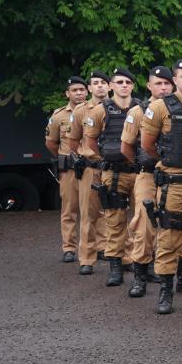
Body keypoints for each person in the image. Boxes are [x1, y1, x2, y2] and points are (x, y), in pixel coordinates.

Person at [121, 65, 182, 298]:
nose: (163, 88)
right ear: (149, 86)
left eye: (166, 84)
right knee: (144, 225)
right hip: (149, 175)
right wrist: (152, 162)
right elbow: (127, 147)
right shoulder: (139, 111)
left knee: (177, 226)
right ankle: (140, 278)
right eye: (158, 84)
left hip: (177, 177)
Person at [140, 59, 182, 314]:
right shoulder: (159, 108)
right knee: (168, 239)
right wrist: (168, 161)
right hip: (173, 184)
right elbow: (147, 145)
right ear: (174, 80)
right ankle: (166, 293)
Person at [82, 68, 139, 287]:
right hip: (114, 173)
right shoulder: (100, 111)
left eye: (128, 82)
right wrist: (106, 156)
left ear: (132, 86)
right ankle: (116, 268)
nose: (124, 85)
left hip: (139, 173)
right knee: (114, 221)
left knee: (142, 221)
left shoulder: (141, 108)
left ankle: (142, 263)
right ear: (111, 86)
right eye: (120, 82)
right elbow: (91, 140)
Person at [67, 70, 110, 275]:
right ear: (90, 88)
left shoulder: (122, 108)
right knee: (88, 214)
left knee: (117, 214)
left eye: (103, 82)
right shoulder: (81, 111)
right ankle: (86, 258)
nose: (100, 86)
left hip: (115, 168)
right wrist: (86, 155)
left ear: (109, 86)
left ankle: (121, 255)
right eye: (95, 83)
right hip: (92, 169)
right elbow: (72, 141)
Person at [45, 76, 87, 263]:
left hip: (90, 168)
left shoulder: (96, 112)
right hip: (69, 169)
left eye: (81, 89)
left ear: (87, 92)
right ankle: (69, 248)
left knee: (96, 210)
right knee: (69, 209)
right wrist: (66, 155)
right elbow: (51, 143)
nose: (78, 93)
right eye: (74, 90)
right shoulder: (59, 116)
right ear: (67, 93)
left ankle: (100, 246)